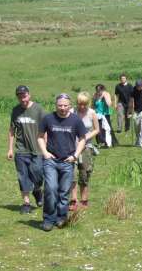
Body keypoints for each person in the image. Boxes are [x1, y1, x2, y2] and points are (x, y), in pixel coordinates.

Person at [38, 93, 87, 231]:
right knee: (50, 189)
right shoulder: (48, 118)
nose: (63, 108)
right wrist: (45, 153)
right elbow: (40, 137)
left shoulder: (76, 120)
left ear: (70, 106)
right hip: (51, 161)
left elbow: (83, 139)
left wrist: (75, 155)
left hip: (67, 161)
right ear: (56, 105)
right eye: (60, 105)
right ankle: (48, 219)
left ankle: (61, 217)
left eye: (65, 105)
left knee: (64, 191)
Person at [7, 85, 45, 214]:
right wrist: (10, 149)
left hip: (38, 149)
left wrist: (47, 148)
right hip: (21, 149)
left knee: (38, 174)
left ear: (29, 94)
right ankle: (26, 203)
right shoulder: (15, 110)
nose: (22, 99)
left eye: (24, 95)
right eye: (20, 96)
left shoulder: (38, 109)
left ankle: (38, 191)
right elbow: (12, 130)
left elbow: (45, 129)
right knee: (22, 176)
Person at [69, 92, 100, 211]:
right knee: (72, 174)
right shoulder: (72, 112)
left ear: (88, 103)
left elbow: (97, 130)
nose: (81, 107)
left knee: (84, 173)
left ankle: (84, 200)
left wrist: (86, 137)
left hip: (86, 147)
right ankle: (73, 199)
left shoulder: (92, 113)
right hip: (72, 147)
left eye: (84, 104)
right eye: (79, 104)